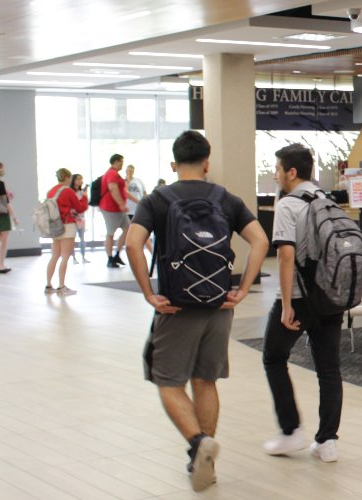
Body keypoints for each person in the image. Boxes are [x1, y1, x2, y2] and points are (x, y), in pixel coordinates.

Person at [126, 130, 267, 491]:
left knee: (168, 381)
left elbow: (133, 244)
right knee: (205, 380)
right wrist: (244, 287)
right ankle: (202, 462)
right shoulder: (226, 199)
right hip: (219, 304)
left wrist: (148, 293)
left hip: (175, 307)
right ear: (207, 162)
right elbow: (260, 240)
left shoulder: (157, 199)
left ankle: (197, 444)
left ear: (174, 164)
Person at [261, 143, 349, 463]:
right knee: (329, 369)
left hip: (299, 298)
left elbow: (285, 256)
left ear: (292, 172)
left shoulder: (288, 205)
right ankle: (327, 442)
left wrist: (286, 305)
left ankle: (291, 431)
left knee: (273, 356)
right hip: (331, 296)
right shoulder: (328, 200)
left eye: (278, 169)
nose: (276, 174)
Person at [45, 168, 86, 296]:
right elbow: (79, 208)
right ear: (67, 178)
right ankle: (61, 286)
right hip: (67, 225)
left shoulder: (51, 191)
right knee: (65, 256)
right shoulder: (68, 191)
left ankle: (48, 285)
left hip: (55, 225)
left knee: (55, 256)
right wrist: (84, 197)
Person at [98, 154, 134, 268]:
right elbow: (112, 189)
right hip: (110, 208)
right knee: (110, 233)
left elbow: (121, 190)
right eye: (120, 162)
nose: (122, 164)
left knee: (127, 229)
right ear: (115, 162)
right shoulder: (112, 173)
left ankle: (117, 254)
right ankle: (110, 258)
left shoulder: (115, 174)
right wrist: (121, 204)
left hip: (117, 209)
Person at [125, 164, 152, 255]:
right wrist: (127, 180)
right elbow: (125, 192)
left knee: (144, 232)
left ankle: (152, 252)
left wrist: (146, 202)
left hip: (139, 209)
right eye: (128, 170)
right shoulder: (124, 181)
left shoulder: (138, 181)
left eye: (131, 170)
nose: (129, 172)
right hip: (129, 210)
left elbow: (144, 193)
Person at [69, 174, 89, 264]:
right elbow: (77, 205)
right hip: (72, 218)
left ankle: (83, 257)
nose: (80, 181)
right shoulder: (70, 192)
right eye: (78, 179)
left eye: (81, 179)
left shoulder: (82, 192)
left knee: (82, 238)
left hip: (80, 218)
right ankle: (73, 258)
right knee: (72, 239)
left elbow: (84, 206)